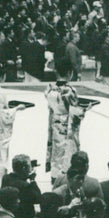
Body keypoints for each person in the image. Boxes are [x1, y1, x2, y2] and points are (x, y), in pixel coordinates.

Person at [44, 56, 86, 184]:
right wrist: (84, 109)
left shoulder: (50, 89)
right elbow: (75, 112)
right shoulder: (70, 91)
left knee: (56, 154)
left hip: (55, 125)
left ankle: (54, 179)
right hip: (67, 126)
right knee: (67, 154)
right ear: (70, 73)